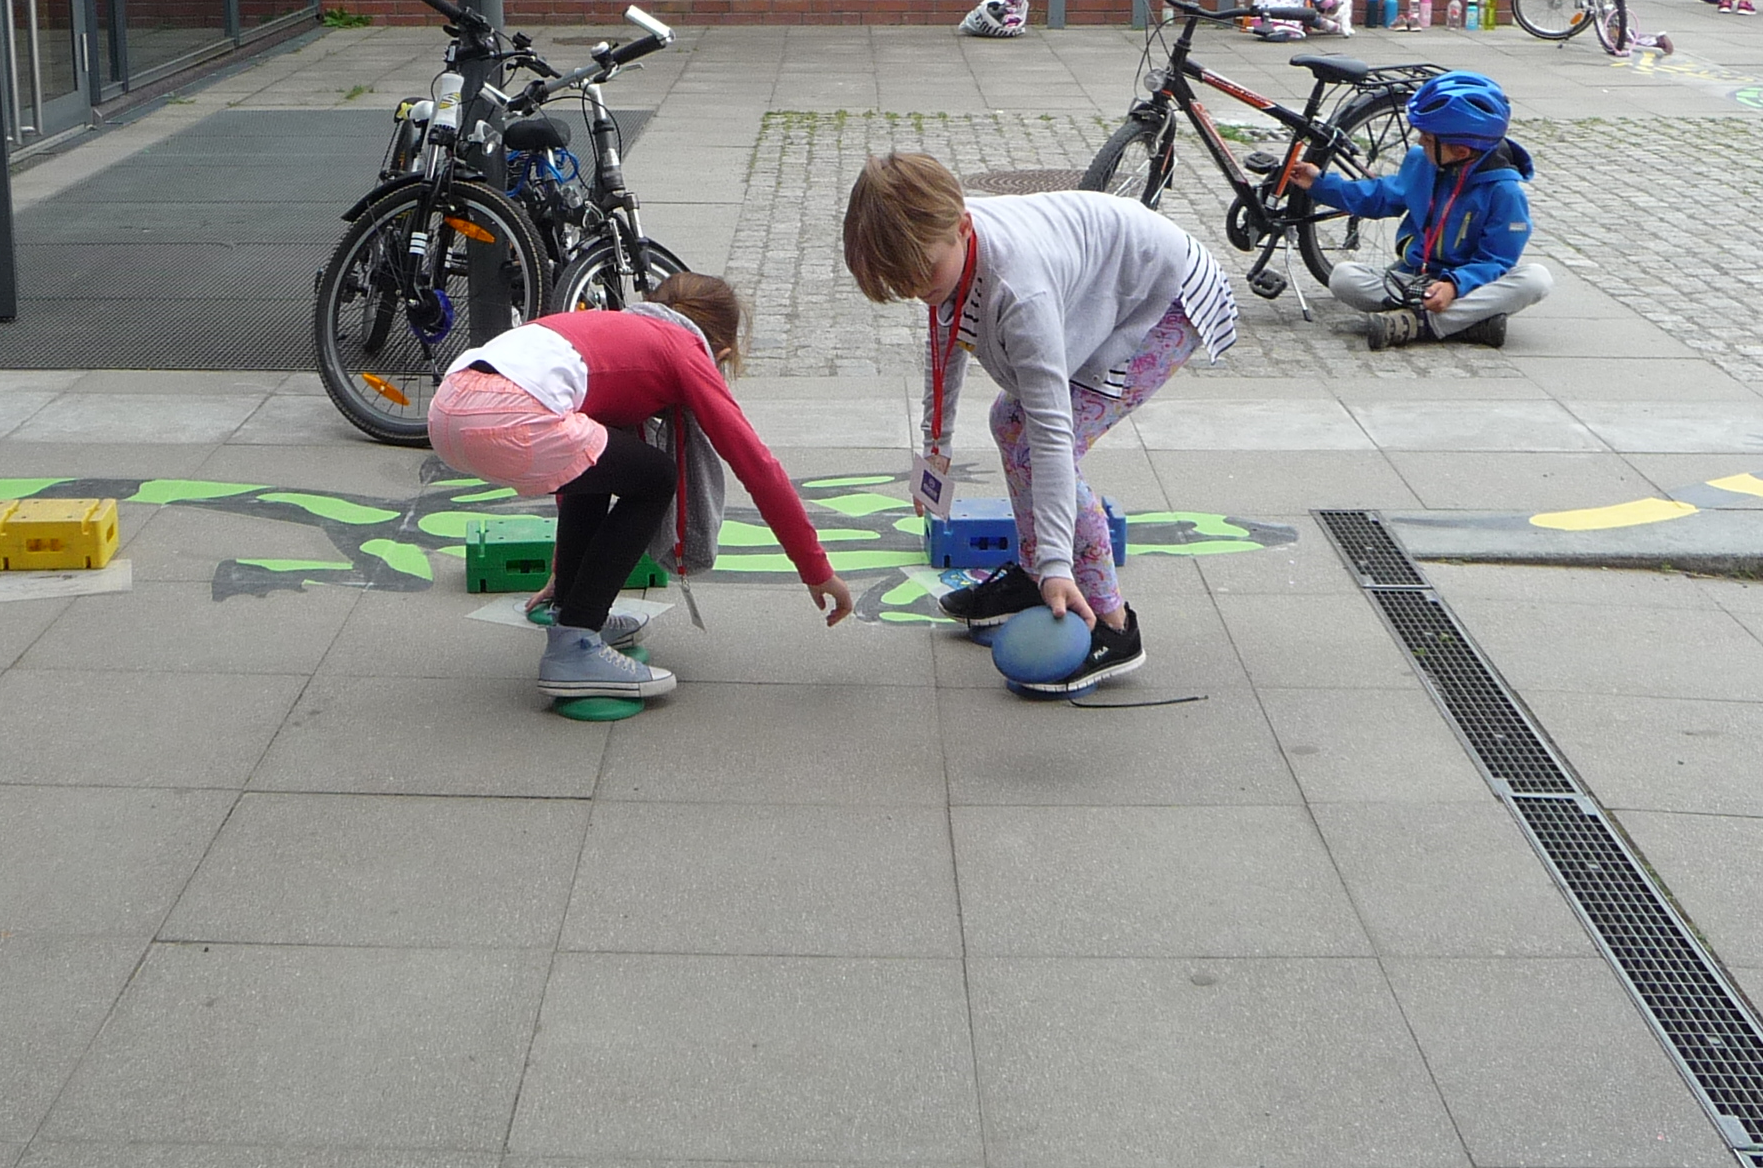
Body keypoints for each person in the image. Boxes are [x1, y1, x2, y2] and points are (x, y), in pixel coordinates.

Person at [841, 154, 1237, 691]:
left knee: (1036, 440)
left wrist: (1058, 563)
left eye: (922, 275)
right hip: (1105, 277)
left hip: (1165, 297)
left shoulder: (1018, 290)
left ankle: (1114, 624)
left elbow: (1052, 433)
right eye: (902, 283)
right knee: (1009, 422)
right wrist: (936, 447)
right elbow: (946, 334)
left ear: (962, 228)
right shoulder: (941, 243)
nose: (915, 290)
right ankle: (1033, 580)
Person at [427, 272, 854, 701]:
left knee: (605, 462)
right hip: (510, 416)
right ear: (720, 354)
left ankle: (572, 611)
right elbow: (757, 466)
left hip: (447, 408)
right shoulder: (683, 349)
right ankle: (574, 645)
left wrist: (563, 575)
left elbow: (578, 476)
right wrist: (817, 570)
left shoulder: (615, 327)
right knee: (656, 478)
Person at [1286, 72, 1551, 351]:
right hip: (1414, 280)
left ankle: (1418, 323)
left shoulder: (1505, 192)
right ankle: (1466, 322)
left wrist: (1453, 286)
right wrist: (1321, 184)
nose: (1420, 142)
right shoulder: (1421, 162)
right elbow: (1380, 196)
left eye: (1427, 138)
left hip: (1469, 287)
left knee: (1536, 279)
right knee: (1343, 277)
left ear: (1461, 152)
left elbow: (1496, 260)